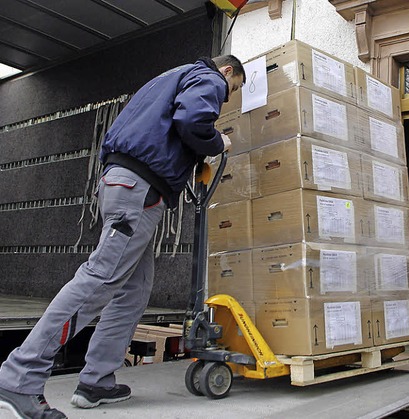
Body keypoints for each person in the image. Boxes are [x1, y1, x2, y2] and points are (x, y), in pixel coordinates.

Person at [0, 55, 245, 418]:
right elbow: (193, 120)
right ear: (226, 71)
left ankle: (96, 381)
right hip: (137, 189)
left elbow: (163, 126)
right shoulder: (206, 76)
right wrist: (216, 141)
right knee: (100, 279)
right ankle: (19, 376)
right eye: (232, 89)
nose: (226, 97)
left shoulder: (166, 77)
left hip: (124, 184)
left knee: (133, 289)